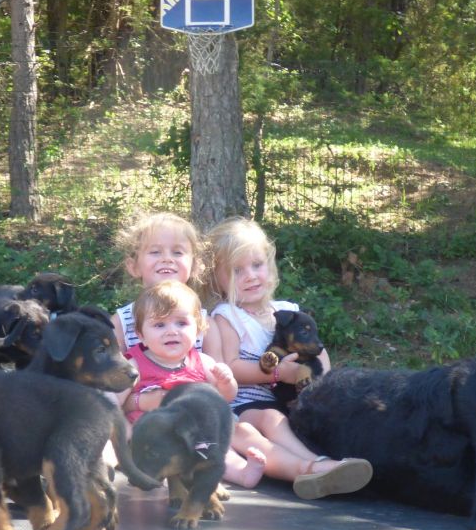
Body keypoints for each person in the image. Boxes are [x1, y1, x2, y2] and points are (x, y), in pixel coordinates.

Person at [204, 216, 373, 500]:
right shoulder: (227, 317)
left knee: (338, 410)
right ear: (218, 279)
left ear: (270, 266)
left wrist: (320, 384)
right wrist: (277, 374)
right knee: (271, 420)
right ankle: (319, 466)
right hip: (248, 402)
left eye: (257, 265)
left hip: (293, 395)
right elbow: (230, 365)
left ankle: (352, 461)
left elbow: (317, 350)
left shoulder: (287, 310)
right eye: (237, 271)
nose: (250, 276)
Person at [110, 211, 266, 487]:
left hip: (194, 416)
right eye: (155, 251)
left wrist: (224, 381)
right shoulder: (122, 322)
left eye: (178, 252)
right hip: (145, 422)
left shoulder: (204, 322)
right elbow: (111, 384)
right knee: (114, 432)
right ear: (133, 265)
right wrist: (132, 406)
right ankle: (103, 464)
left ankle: (255, 470)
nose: (167, 258)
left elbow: (218, 389)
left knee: (227, 435)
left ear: (194, 266)